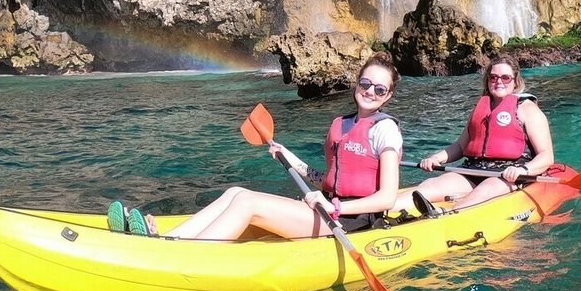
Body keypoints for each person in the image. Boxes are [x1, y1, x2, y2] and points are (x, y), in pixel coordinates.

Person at [161, 53, 403, 240]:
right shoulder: (343, 124)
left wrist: (336, 206)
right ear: (357, 83)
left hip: (353, 221)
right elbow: (325, 180)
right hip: (327, 208)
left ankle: (189, 257)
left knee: (248, 203)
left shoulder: (385, 130)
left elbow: (387, 198)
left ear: (388, 95)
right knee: (236, 192)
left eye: (379, 89)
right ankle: (169, 239)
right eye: (365, 83)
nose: (370, 91)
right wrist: (286, 155)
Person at [404, 53, 552, 215]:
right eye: (493, 77)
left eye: (505, 77)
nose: (499, 82)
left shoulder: (528, 109)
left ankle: (444, 216)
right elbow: (461, 146)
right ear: (487, 80)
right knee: (429, 186)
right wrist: (435, 158)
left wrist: (524, 169)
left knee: (484, 191)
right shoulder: (481, 108)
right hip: (474, 169)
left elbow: (546, 156)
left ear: (515, 81)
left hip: (508, 174)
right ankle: (383, 212)